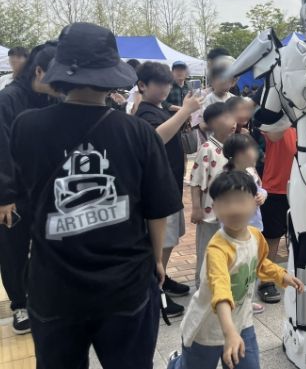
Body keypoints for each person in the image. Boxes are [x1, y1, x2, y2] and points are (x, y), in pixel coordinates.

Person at [9, 22, 182, 369]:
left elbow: (25, 186)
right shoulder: (137, 132)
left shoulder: (26, 126)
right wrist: (157, 261)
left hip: (53, 285)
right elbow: (157, 210)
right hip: (126, 286)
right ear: (110, 75)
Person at [167, 171, 304, 369]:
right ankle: (176, 363)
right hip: (207, 328)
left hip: (241, 322)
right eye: (225, 202)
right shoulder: (218, 249)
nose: (234, 209)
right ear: (214, 208)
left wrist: (282, 276)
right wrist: (229, 332)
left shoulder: (255, 236)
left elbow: (259, 263)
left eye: (240, 200)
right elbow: (221, 290)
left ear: (255, 203)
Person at [136, 61, 204, 317]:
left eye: (167, 83)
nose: (165, 88)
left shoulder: (160, 108)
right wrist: (185, 110)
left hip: (170, 183)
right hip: (157, 188)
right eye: (159, 84)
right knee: (162, 241)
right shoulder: (145, 112)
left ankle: (162, 279)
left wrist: (184, 112)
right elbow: (157, 137)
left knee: (171, 238)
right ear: (142, 85)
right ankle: (155, 291)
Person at [0, 42, 57, 334]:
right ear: (39, 72)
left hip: (44, 189)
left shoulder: (49, 98)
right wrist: (5, 195)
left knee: (47, 245)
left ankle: (42, 295)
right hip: (14, 193)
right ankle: (19, 304)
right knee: (14, 249)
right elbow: (2, 149)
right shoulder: (8, 99)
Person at [189, 103, 236, 289]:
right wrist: (196, 208)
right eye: (227, 118)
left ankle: (228, 288)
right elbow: (196, 181)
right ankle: (204, 289)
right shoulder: (207, 149)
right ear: (213, 124)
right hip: (210, 214)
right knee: (208, 250)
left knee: (230, 251)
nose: (233, 122)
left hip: (234, 213)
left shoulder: (236, 146)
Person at [222, 133, 268, 314]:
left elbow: (261, 189)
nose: (256, 152)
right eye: (252, 149)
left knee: (250, 265)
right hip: (237, 230)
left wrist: (262, 195)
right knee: (237, 267)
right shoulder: (228, 177)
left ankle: (246, 300)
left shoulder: (251, 172)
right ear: (239, 154)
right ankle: (234, 300)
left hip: (253, 227)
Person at [257, 126, 296, 304]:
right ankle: (265, 281)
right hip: (274, 188)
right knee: (272, 238)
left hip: (301, 187)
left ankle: (298, 272)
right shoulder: (272, 121)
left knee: (301, 234)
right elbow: (273, 136)